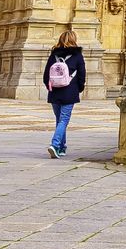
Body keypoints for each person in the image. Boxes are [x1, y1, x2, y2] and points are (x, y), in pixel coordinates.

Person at [43, 27, 85, 158]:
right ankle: (55, 145)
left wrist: (50, 87)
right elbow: (82, 75)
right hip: (69, 92)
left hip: (54, 92)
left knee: (59, 120)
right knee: (64, 120)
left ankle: (61, 148)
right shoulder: (77, 55)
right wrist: (79, 88)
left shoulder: (54, 55)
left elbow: (46, 75)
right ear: (74, 40)